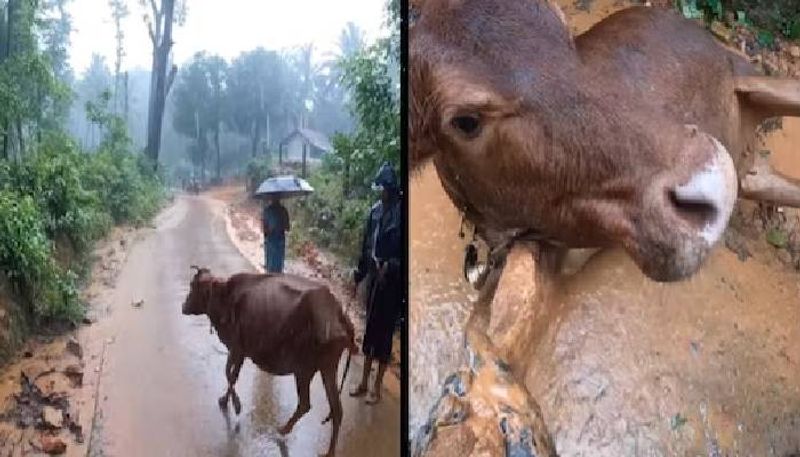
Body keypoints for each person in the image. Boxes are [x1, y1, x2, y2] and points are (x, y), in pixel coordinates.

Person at [350, 162, 403, 405]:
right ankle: (363, 382)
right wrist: (360, 272)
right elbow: (366, 246)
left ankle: (377, 388)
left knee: (384, 338)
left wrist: (391, 266)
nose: (380, 193)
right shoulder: (374, 212)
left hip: (392, 285)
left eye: (383, 188)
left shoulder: (402, 213)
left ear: (391, 189)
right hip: (374, 279)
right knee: (369, 331)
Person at [262, 196, 290, 273]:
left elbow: (264, 229)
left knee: (270, 263)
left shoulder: (267, 211)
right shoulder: (283, 211)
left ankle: (270, 275)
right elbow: (287, 227)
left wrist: (270, 231)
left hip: (271, 240)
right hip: (279, 240)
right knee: (278, 263)